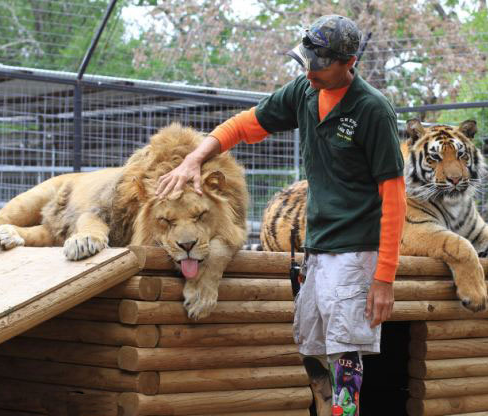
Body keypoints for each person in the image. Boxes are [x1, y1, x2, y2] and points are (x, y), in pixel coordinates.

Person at [156, 14, 406, 416]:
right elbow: (246, 125)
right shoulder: (305, 91)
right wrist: (195, 157)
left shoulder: (372, 110)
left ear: (349, 62)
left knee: (344, 349)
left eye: (320, 64)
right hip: (317, 247)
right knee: (309, 343)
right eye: (306, 60)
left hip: (356, 252)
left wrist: (384, 278)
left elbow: (394, 197)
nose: (309, 71)